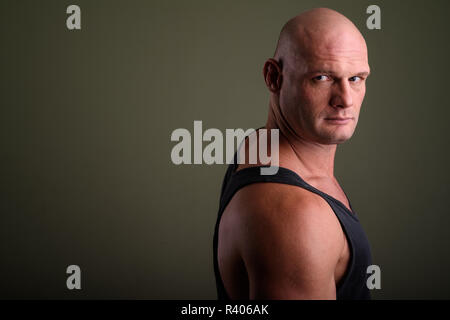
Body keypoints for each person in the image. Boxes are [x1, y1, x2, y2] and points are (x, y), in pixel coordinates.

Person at [213, 8, 372, 300]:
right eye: (322, 77)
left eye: (356, 78)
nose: (345, 100)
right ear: (274, 77)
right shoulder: (296, 217)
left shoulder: (261, 146)